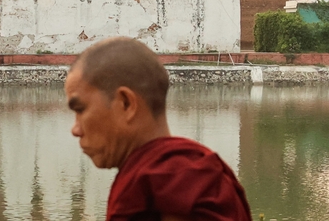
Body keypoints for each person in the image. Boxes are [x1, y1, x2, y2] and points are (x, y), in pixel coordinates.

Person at [64, 37, 251, 220]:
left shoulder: (157, 187)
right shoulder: (204, 171)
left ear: (126, 104)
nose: (75, 130)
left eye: (80, 110)